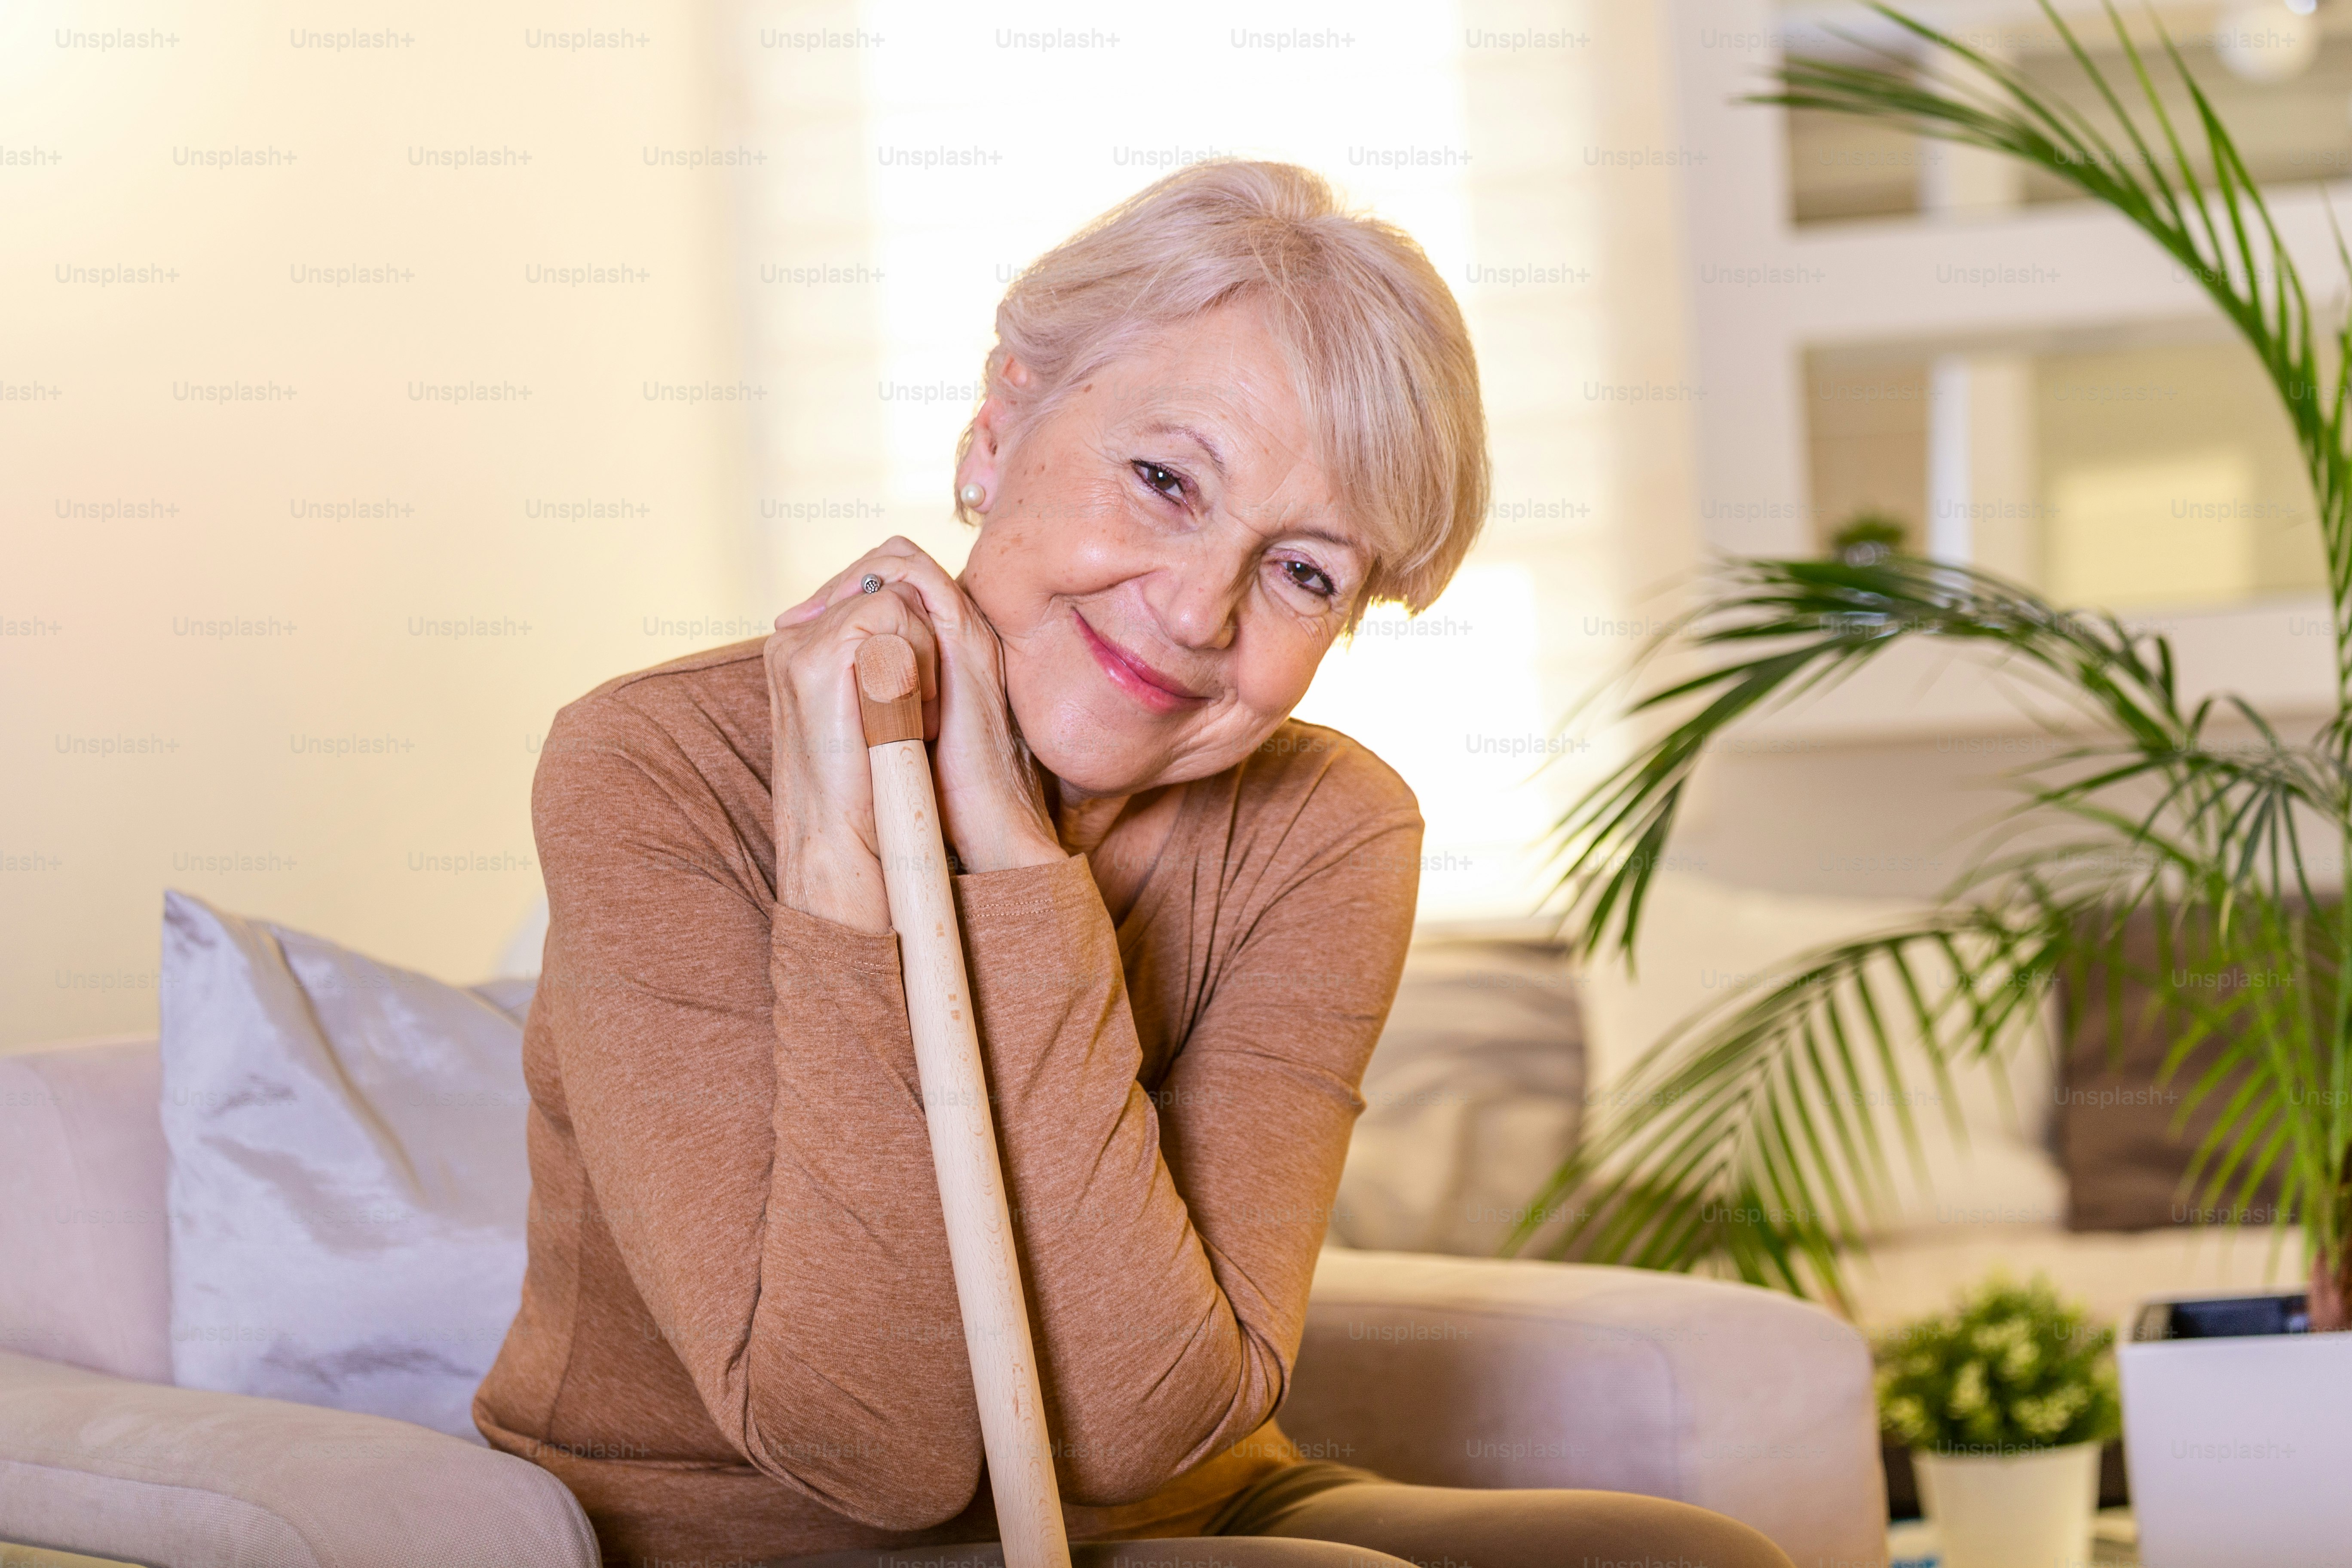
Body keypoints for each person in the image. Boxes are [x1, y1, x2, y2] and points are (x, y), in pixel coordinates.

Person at [474, 159, 1795, 1568]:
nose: (1197, 609)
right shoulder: (655, 765)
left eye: (1305, 572)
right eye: (1166, 482)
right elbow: (874, 1451)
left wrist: (1010, 852)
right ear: (998, 429)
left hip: (1189, 1512)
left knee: (1691, 1561)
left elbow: (1141, 1431)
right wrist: (844, 863)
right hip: (746, 1532)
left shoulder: (1328, 831)